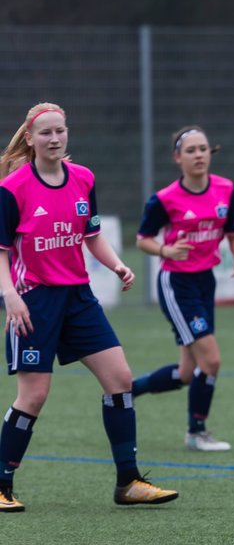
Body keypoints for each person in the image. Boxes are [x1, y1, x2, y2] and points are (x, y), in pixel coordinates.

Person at [0, 102, 178, 511]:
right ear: (30, 138)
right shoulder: (13, 188)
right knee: (33, 395)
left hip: (78, 298)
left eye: (60, 130)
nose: (54, 138)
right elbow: (2, 250)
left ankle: (128, 481)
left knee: (120, 379)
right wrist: (9, 295)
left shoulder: (83, 178)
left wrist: (116, 264)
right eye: (45, 132)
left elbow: (91, 234)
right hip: (33, 301)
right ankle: (2, 482)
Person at [129, 126, 234, 452]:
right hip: (176, 284)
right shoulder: (164, 199)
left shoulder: (225, 189)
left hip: (204, 281)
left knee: (185, 373)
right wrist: (165, 251)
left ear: (211, 153)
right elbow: (143, 241)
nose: (199, 155)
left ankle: (126, 391)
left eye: (204, 149)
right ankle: (197, 432)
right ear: (177, 158)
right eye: (192, 150)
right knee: (210, 361)